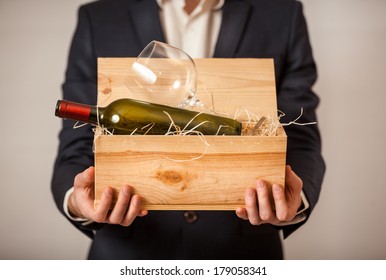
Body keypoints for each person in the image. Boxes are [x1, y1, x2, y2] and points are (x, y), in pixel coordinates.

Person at [52, 0, 325, 259]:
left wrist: (292, 200)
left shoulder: (282, 14)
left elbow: (300, 138)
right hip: (130, 255)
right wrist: (79, 202)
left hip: (242, 255)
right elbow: (75, 149)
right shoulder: (99, 17)